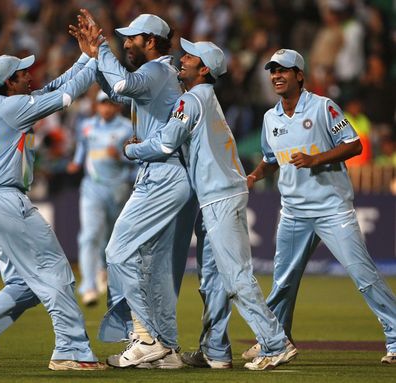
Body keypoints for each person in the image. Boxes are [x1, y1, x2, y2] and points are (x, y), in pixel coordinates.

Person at [124, 38, 297, 371]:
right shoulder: (207, 98)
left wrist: (132, 149)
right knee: (214, 280)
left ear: (204, 69)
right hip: (221, 193)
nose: (182, 60)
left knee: (236, 277)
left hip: (219, 195)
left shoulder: (191, 100)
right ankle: (215, 351)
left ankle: (275, 343)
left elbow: (164, 144)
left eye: (190, 57)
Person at [0, 51, 106, 371]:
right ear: (8, 83)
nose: (29, 76)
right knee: (56, 271)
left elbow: (55, 86)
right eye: (22, 74)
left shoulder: (4, 105)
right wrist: (99, 54)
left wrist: (85, 57)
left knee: (27, 285)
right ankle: (71, 350)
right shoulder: (14, 108)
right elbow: (67, 94)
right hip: (6, 201)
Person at [242, 48, 396, 365]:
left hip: (332, 209)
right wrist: (256, 175)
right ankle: (275, 340)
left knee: (363, 275)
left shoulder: (323, 107)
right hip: (293, 212)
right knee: (283, 282)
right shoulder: (270, 118)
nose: (277, 76)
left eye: (283, 70)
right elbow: (272, 160)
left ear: (300, 75)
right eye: (272, 71)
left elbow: (354, 144)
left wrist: (316, 160)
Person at [74, 10, 195, 368]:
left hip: (161, 174)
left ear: (151, 42)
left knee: (117, 252)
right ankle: (168, 348)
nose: (126, 43)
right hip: (167, 176)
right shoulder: (163, 73)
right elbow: (117, 90)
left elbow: (123, 86)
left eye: (132, 38)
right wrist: (96, 58)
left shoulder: (156, 70)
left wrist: (100, 48)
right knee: (154, 266)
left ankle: (146, 337)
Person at [67, 90, 135, 306]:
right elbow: (82, 147)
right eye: (103, 104)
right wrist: (76, 162)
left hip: (118, 189)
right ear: (97, 106)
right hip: (92, 187)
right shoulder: (87, 126)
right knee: (89, 235)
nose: (107, 108)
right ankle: (88, 286)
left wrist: (123, 158)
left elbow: (138, 161)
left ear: (117, 107)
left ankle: (105, 272)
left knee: (112, 238)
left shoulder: (127, 128)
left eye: (111, 104)